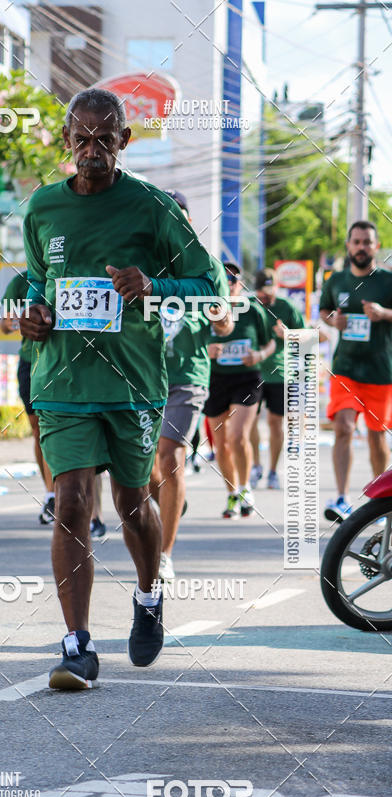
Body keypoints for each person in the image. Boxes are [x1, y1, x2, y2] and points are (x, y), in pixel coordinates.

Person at [19, 88, 218, 690]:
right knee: (73, 499)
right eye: (81, 138)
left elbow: (211, 286)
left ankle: (149, 593)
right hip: (61, 380)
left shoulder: (154, 208)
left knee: (134, 502)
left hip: (132, 382)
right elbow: (36, 282)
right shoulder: (42, 209)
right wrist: (32, 313)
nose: (93, 150)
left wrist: (152, 285)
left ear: (125, 141)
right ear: (66, 142)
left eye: (106, 139)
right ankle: (77, 645)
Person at [149, 189, 233, 580]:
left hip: (187, 377)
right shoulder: (144, 265)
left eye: (178, 216)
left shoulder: (208, 267)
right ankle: (171, 498)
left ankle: (164, 554)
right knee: (141, 469)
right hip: (143, 375)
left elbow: (227, 321)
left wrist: (220, 320)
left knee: (170, 456)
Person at [319, 220, 392, 522]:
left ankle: (384, 505)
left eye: (367, 242)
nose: (361, 247)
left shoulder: (387, 281)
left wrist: (384, 313)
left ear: (376, 246)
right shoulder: (336, 280)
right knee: (344, 427)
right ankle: (342, 498)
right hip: (345, 368)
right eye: (356, 242)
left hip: (380, 372)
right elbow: (324, 311)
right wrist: (333, 319)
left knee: (377, 439)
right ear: (348, 246)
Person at [205, 262, 275, 519]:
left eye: (233, 279)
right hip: (215, 379)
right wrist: (207, 350)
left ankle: (246, 489)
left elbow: (270, 343)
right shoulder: (206, 309)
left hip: (247, 379)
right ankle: (232, 493)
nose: (229, 283)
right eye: (224, 279)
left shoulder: (253, 310)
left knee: (237, 436)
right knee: (222, 444)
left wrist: (258, 354)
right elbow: (191, 342)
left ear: (240, 284)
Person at [0, 270, 55, 524]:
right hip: (31, 363)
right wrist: (17, 321)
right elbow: (4, 323)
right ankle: (51, 495)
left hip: (64, 362)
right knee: (39, 430)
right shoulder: (21, 281)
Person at [249, 268, 305, 491]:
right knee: (249, 420)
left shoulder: (286, 306)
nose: (266, 297)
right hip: (253, 372)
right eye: (262, 293)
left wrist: (288, 334)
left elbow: (308, 336)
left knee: (275, 422)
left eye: (270, 292)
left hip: (281, 373)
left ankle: (272, 470)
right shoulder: (249, 307)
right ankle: (255, 465)